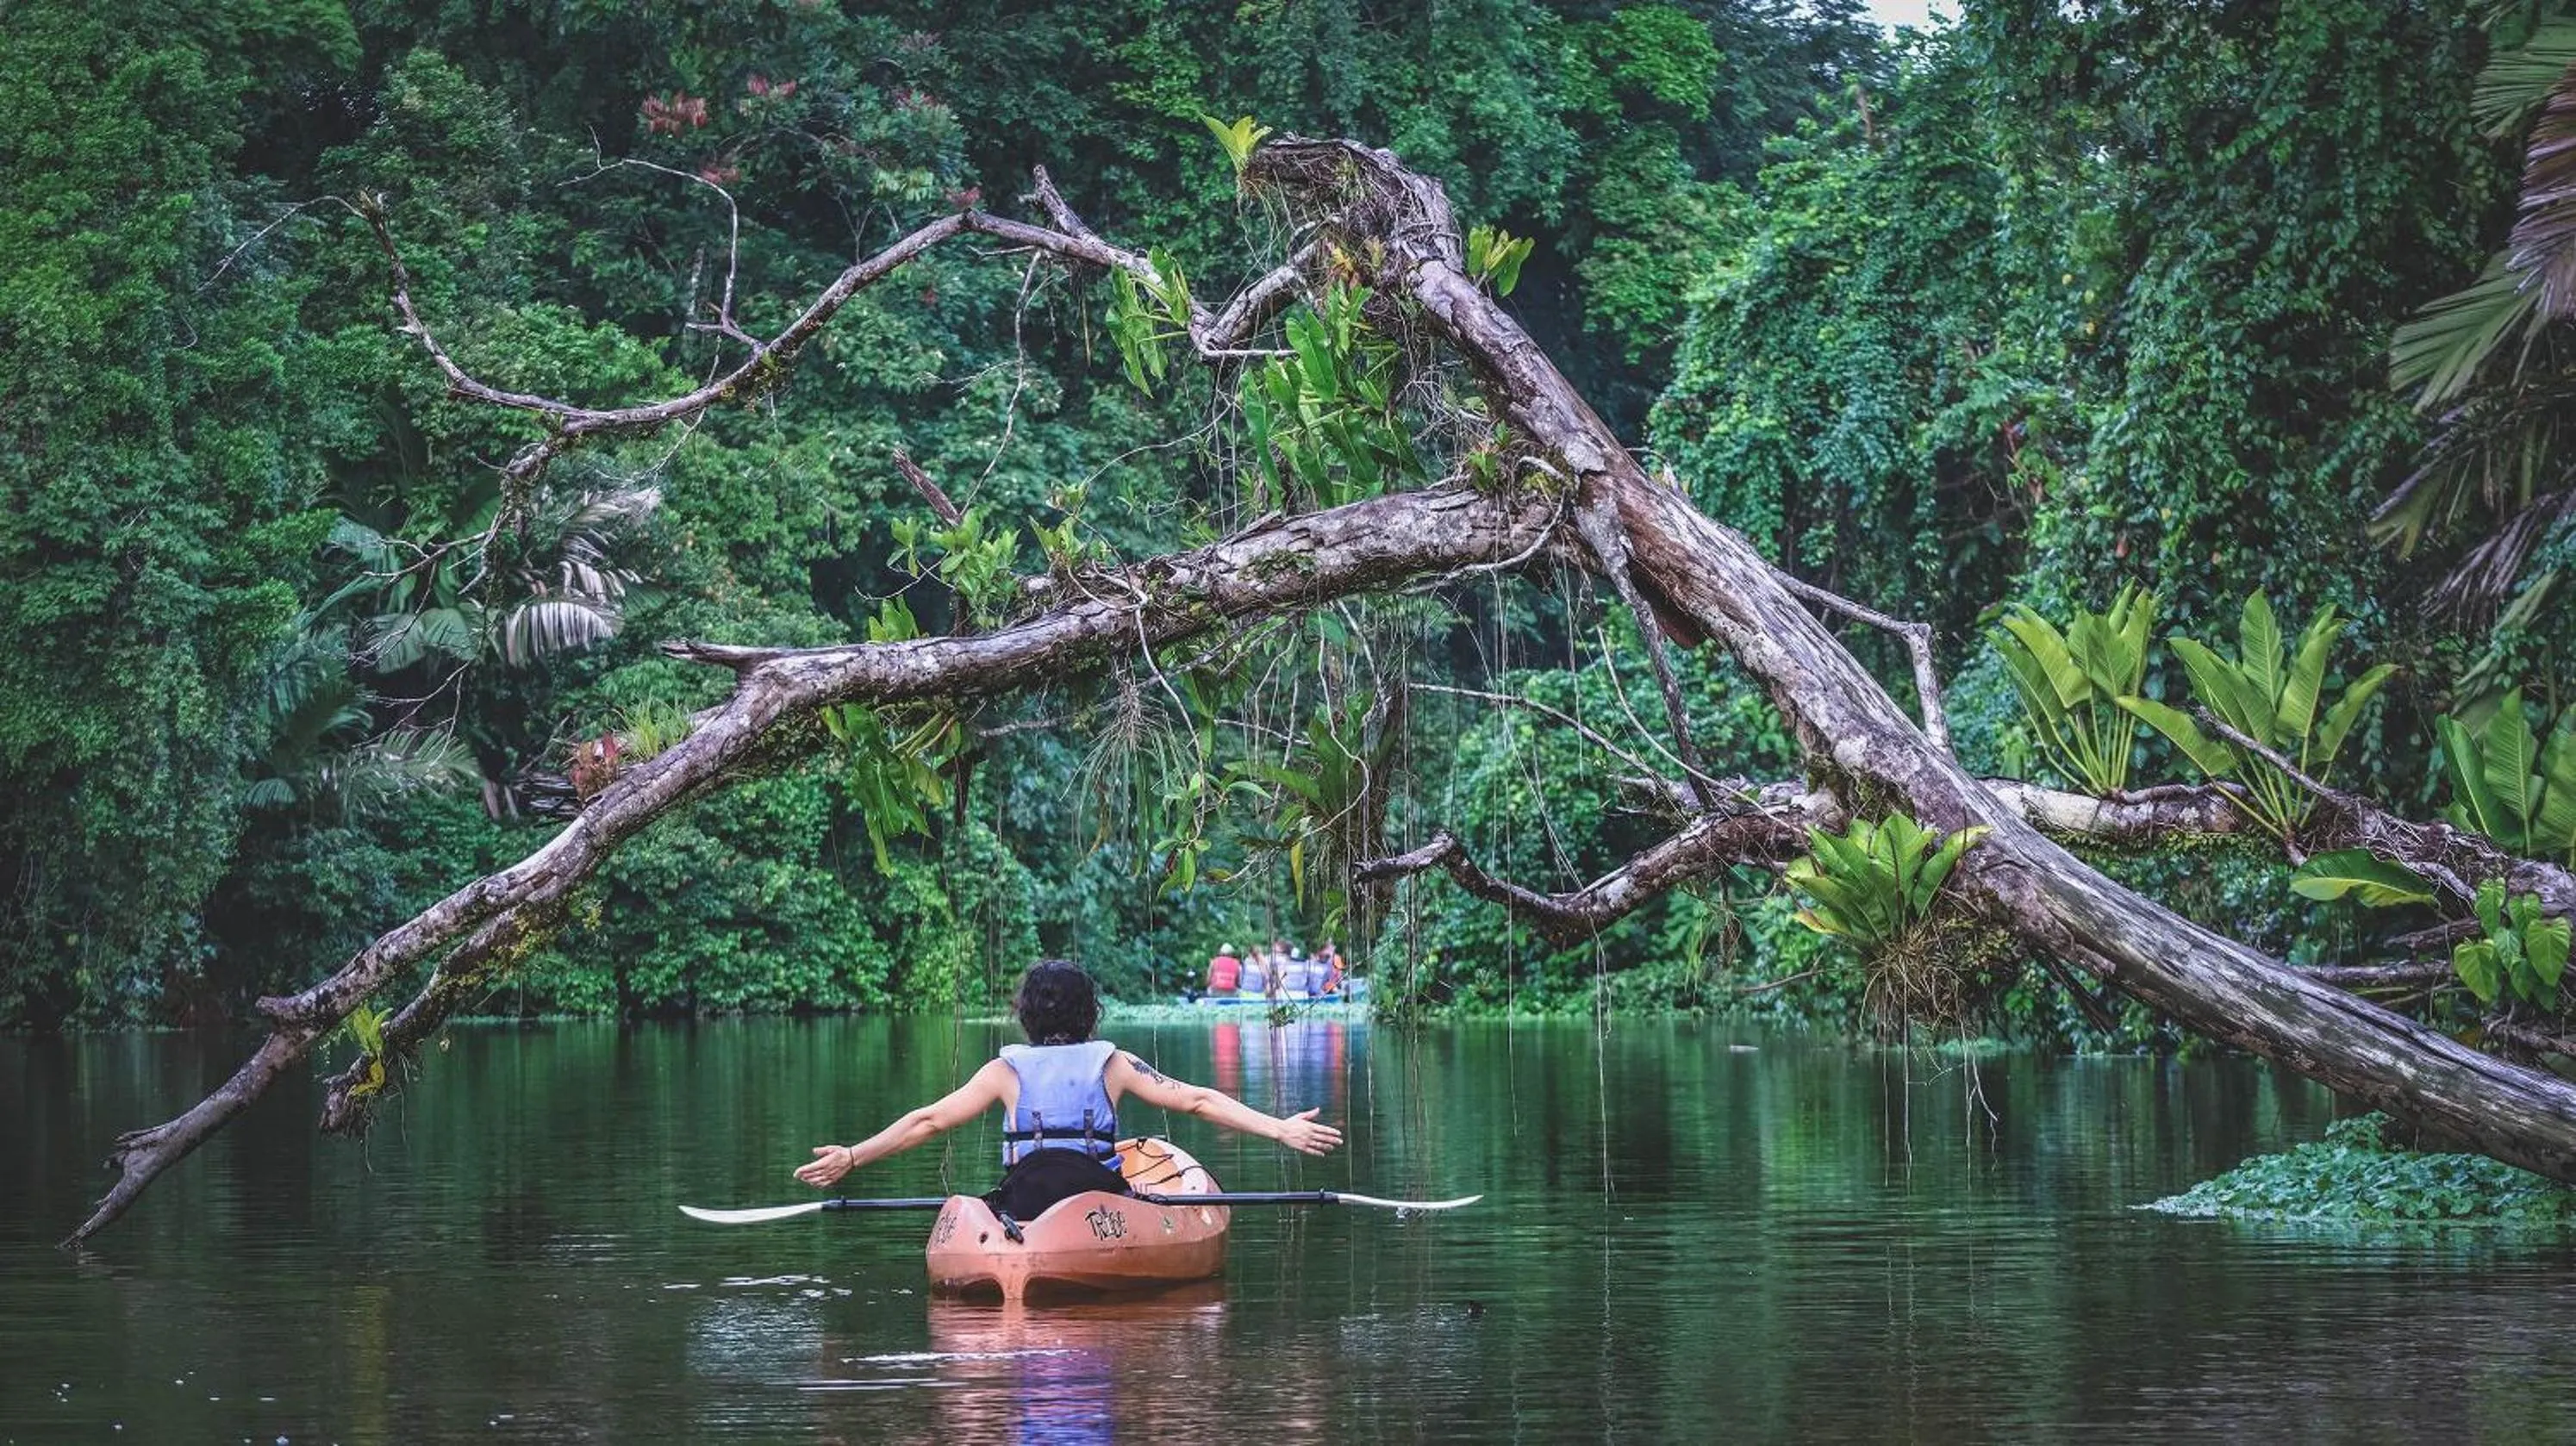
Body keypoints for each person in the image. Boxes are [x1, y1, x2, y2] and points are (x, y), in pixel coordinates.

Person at [795, 959, 1342, 1219]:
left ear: (1026, 1014)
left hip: (1026, 1201)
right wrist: (1280, 1128)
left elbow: (928, 1121)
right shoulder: (1114, 1062)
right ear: (1090, 1013)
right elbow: (1197, 1098)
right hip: (1096, 1201)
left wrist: (852, 1156)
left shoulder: (1003, 1070)